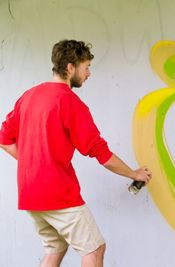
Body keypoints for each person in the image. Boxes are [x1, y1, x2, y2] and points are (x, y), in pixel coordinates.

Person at [0, 40, 152, 267]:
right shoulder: (70, 102)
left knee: (55, 249)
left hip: (30, 194)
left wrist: (34, 163)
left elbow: (4, 139)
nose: (89, 73)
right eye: (86, 67)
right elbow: (101, 154)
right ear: (70, 68)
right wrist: (134, 174)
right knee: (94, 249)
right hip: (58, 194)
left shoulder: (29, 96)